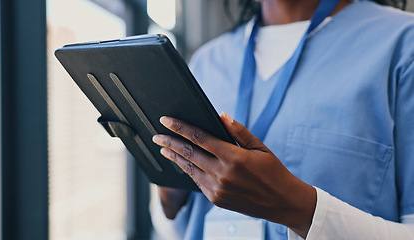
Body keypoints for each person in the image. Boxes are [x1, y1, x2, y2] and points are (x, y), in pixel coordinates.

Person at [151, 0, 414, 239]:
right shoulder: (205, 63)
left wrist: (295, 207)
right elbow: (182, 227)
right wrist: (170, 200)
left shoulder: (403, 46)